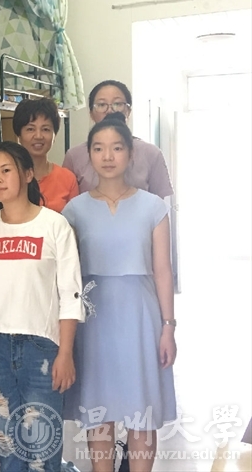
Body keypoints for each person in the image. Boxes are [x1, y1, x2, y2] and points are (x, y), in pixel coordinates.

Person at [62, 113, 177, 472]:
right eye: (98, 148)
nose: (107, 156)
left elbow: (163, 270)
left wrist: (168, 327)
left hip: (140, 315)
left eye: (116, 148)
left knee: (142, 410)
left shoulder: (153, 207)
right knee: (99, 411)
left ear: (130, 154)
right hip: (93, 318)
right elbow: (65, 274)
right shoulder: (74, 210)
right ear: (89, 155)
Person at [0, 141, 85, 472]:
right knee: (7, 447)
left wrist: (65, 353)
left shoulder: (54, 225)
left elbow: (70, 293)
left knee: (41, 448)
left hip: (42, 349)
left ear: (27, 174)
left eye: (6, 170)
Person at [62, 80, 173, 197]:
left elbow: (158, 203)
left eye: (118, 104)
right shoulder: (74, 156)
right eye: (101, 105)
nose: (110, 110)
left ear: (128, 111)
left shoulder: (151, 153)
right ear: (91, 114)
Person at [12, 97, 78, 212]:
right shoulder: (9, 176)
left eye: (46, 129)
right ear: (19, 135)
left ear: (54, 135)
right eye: (30, 129)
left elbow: (74, 220)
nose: (38, 136)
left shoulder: (67, 179)